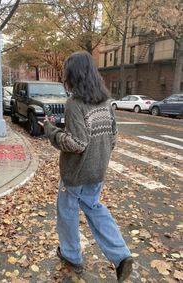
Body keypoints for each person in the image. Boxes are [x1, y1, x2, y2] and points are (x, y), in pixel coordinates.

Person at [40, 51, 133, 282]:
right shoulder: (105, 102)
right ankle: (121, 256)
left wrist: (51, 131)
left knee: (67, 212)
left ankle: (72, 256)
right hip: (98, 171)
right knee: (95, 208)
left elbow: (77, 143)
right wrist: (97, 158)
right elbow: (113, 138)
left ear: (74, 75)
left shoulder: (74, 103)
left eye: (66, 74)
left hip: (76, 174)